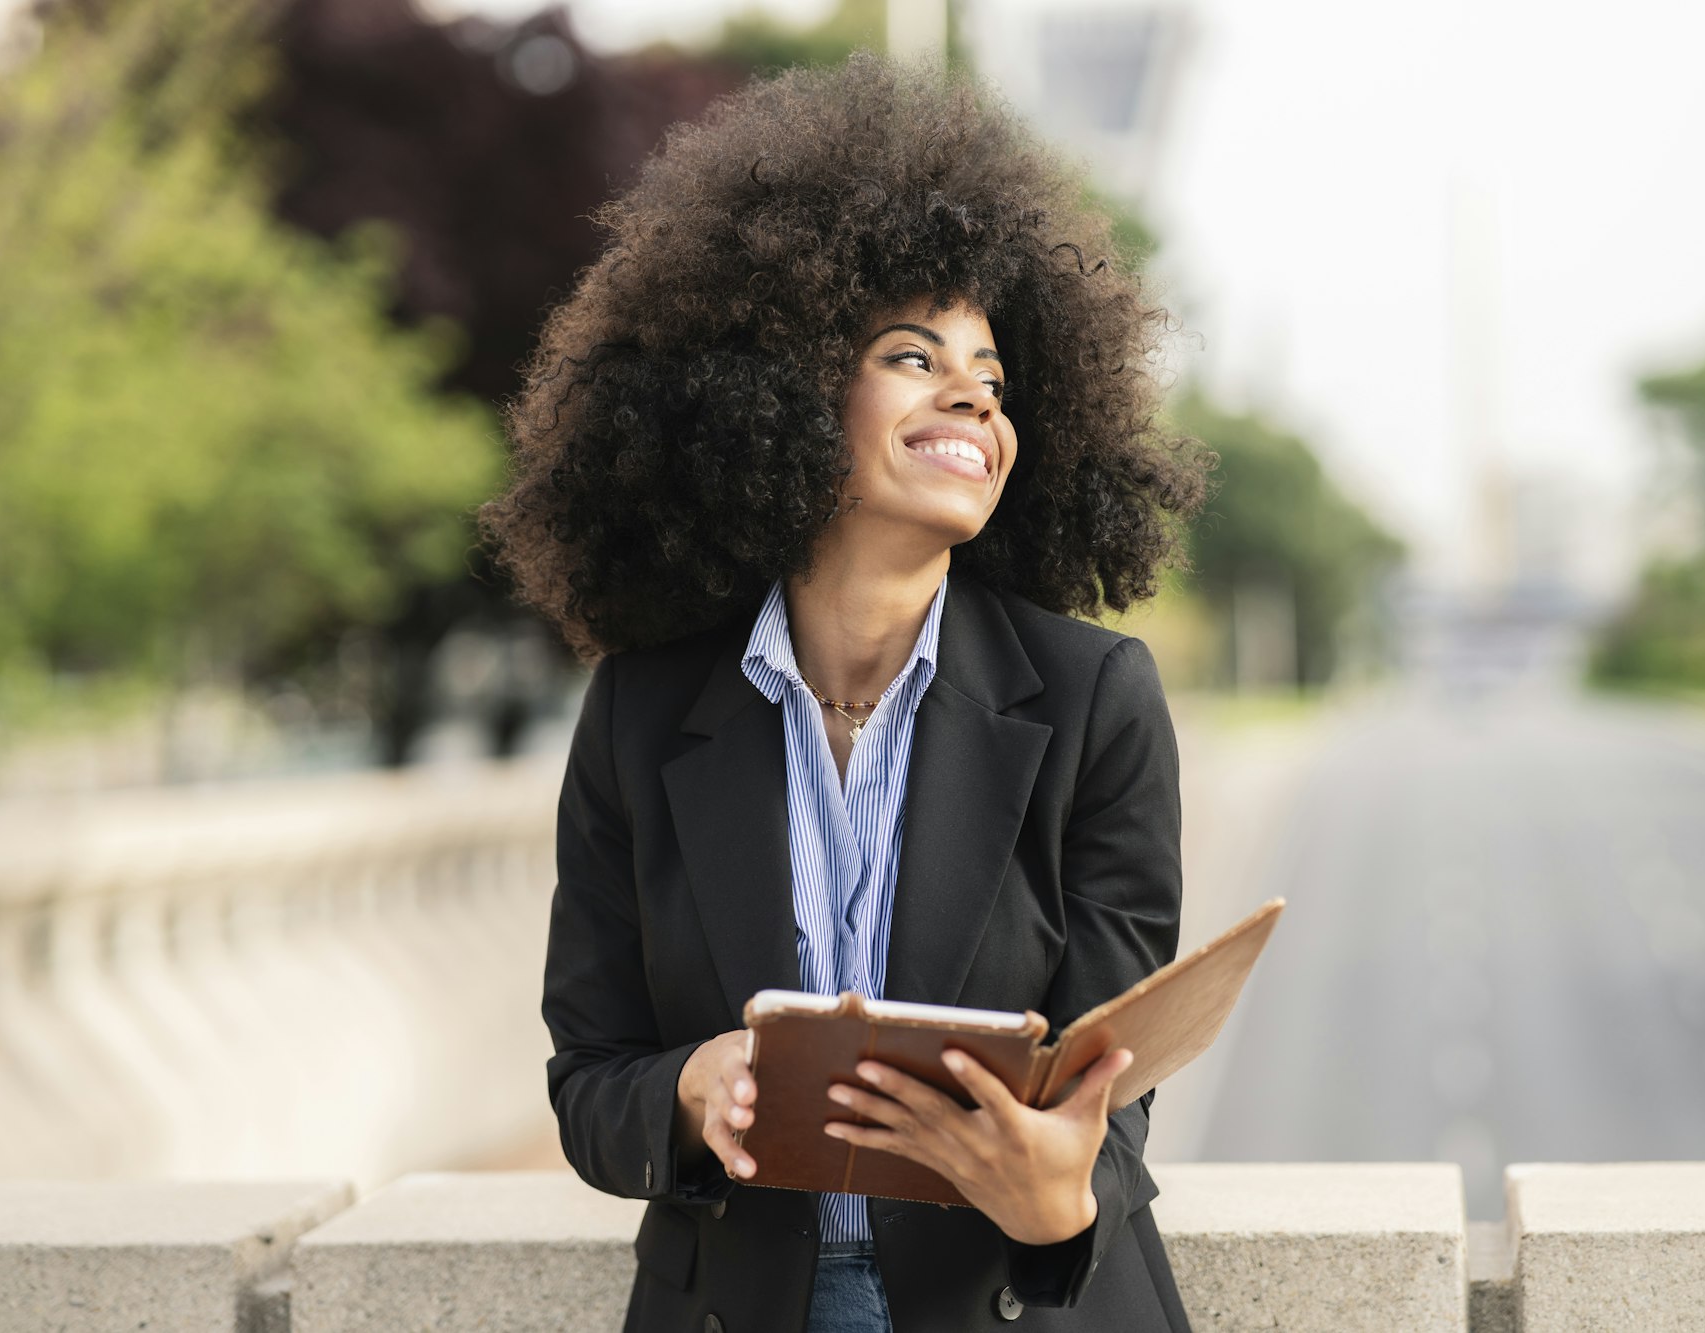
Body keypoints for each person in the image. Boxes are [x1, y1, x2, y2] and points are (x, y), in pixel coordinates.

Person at [479, 53, 1211, 1333]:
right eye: (912, 354)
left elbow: (1111, 1101)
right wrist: (689, 1095)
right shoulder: (643, 717)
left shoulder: (1098, 699)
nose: (972, 393)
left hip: (1017, 1305)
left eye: (991, 372)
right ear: (780, 385)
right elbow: (590, 1077)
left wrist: (1061, 1194)